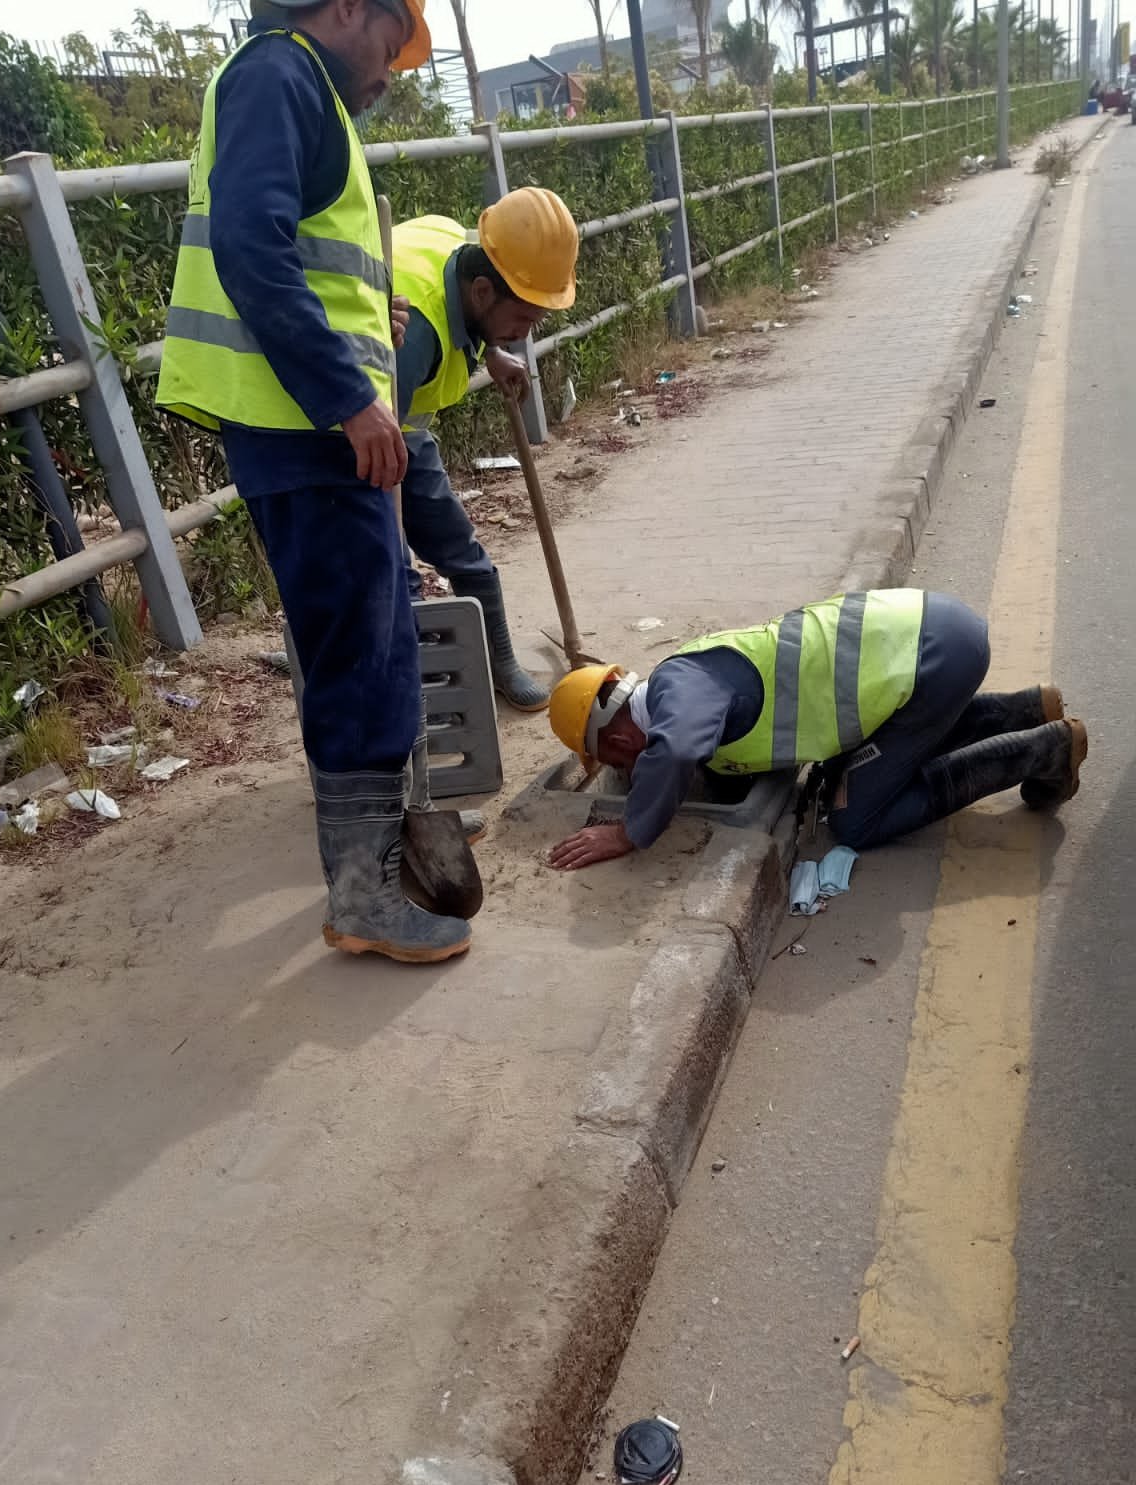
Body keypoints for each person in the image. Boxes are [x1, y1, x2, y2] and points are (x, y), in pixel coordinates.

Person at [157, 0, 473, 965]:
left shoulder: (299, 88)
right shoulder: (278, 74)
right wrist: (348, 398)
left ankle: (376, 863)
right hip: (306, 429)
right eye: (389, 45)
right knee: (357, 655)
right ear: (343, 8)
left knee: (373, 640)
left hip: (316, 431)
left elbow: (302, 257)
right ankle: (363, 895)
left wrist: (369, 329)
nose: (388, 73)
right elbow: (254, 253)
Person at [544, 589, 1088, 870]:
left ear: (618, 740)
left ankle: (1046, 751)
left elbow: (679, 747)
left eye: (618, 763)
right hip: (929, 634)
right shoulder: (685, 676)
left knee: (854, 818)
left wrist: (629, 831)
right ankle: (1023, 711)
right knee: (871, 763)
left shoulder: (678, 689)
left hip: (931, 658)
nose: (627, 769)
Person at [392, 192, 579, 712]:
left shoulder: (467, 251)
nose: (525, 335)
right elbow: (367, 443)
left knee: (466, 555)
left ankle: (498, 662)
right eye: (522, 320)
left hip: (402, 424)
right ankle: (413, 690)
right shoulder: (416, 336)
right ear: (482, 292)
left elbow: (464, 313)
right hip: (354, 435)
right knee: (392, 573)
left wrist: (491, 350)